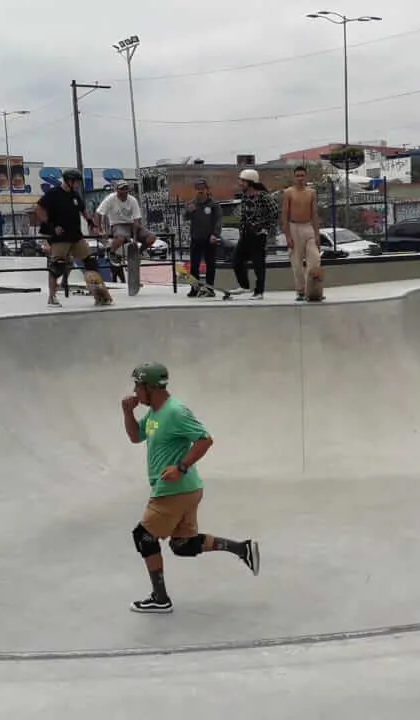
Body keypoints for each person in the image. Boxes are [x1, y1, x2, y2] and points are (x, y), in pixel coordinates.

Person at [122, 361, 260, 613]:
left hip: (173, 489)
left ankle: (160, 598)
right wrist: (127, 412)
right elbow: (134, 437)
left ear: (151, 387)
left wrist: (181, 467)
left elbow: (205, 440)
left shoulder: (175, 412)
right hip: (186, 490)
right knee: (182, 545)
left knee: (143, 537)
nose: (134, 391)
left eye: (137, 386)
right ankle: (241, 548)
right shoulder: (154, 413)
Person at [35, 168, 110, 306]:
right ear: (69, 181)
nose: (78, 185)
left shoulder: (75, 196)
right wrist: (51, 226)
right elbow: (39, 209)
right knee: (57, 266)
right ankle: (52, 297)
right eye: (76, 182)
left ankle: (99, 294)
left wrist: (91, 224)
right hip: (60, 237)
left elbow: (83, 210)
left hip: (76, 236)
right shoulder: (53, 194)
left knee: (90, 263)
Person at [234, 168, 279, 300]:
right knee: (236, 260)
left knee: (258, 264)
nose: (240, 183)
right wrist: (241, 229)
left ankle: (259, 292)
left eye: (242, 181)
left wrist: (264, 226)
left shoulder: (263, 196)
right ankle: (244, 286)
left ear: (250, 182)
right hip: (246, 234)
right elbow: (243, 215)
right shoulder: (244, 196)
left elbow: (275, 212)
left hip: (259, 235)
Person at [281, 166, 320, 302]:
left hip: (308, 226)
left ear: (306, 177)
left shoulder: (311, 192)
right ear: (294, 177)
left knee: (315, 259)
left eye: (302, 175)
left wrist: (317, 234)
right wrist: (288, 236)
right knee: (297, 263)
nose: (300, 178)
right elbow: (285, 214)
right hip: (294, 227)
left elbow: (314, 214)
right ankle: (300, 291)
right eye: (297, 176)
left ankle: (312, 289)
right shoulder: (288, 192)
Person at [97, 180, 157, 262]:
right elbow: (99, 212)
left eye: (126, 190)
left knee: (152, 237)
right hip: (117, 224)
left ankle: (138, 252)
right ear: (117, 191)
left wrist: (135, 239)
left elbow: (136, 219)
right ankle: (111, 252)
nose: (124, 193)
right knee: (121, 237)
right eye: (122, 190)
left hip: (131, 224)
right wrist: (100, 229)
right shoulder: (110, 199)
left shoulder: (132, 200)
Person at [185, 177, 223, 297]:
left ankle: (210, 288)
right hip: (196, 238)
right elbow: (184, 217)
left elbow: (218, 220)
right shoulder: (192, 204)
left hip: (209, 239)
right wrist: (188, 211)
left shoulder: (213, 204)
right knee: (194, 265)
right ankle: (194, 289)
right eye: (198, 189)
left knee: (210, 265)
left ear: (207, 190)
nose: (200, 191)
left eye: (202, 188)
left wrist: (215, 234)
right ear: (195, 190)